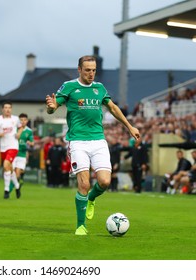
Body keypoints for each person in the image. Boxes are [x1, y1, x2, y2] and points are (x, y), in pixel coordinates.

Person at [45, 55, 140, 235]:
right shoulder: (69, 86)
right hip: (78, 141)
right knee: (84, 184)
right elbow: (53, 107)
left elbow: (113, 108)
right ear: (79, 70)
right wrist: (50, 106)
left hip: (98, 141)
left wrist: (129, 126)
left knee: (104, 181)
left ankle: (91, 199)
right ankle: (81, 226)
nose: (91, 74)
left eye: (94, 70)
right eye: (87, 70)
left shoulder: (99, 88)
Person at [0, 101, 23, 199]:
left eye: (9, 108)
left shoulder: (15, 119)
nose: (8, 109)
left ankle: (6, 190)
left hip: (13, 146)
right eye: (6, 107)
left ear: (11, 109)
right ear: (2, 109)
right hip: (3, 147)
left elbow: (21, 127)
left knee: (5, 165)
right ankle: (17, 186)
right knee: (9, 169)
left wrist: (18, 134)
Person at [9, 113, 34, 198]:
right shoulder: (15, 129)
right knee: (12, 173)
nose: (23, 122)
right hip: (13, 153)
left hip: (22, 154)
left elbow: (32, 143)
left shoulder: (29, 131)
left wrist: (29, 143)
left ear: (27, 121)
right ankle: (17, 186)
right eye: (21, 120)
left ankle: (9, 190)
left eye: (24, 120)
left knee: (17, 173)